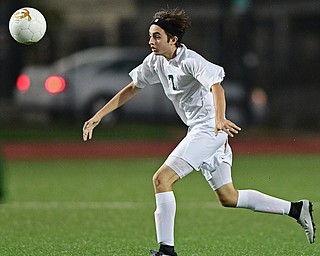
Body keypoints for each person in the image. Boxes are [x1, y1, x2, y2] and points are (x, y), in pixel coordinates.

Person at [82, 8, 315, 256]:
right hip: (203, 131)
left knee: (162, 179)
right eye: (150, 35)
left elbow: (217, 88)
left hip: (209, 129)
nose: (151, 41)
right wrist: (99, 115)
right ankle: (296, 209)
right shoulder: (155, 61)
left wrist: (219, 118)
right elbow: (132, 87)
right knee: (229, 197)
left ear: (173, 39)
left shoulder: (190, 60)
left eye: (157, 36)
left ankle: (166, 251)